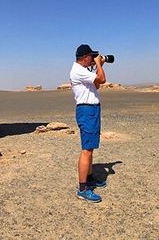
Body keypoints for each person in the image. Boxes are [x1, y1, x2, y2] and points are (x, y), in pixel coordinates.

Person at [70, 44, 107, 203]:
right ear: (85, 57)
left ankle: (90, 177)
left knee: (90, 148)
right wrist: (99, 64)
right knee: (86, 150)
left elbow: (96, 85)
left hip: (91, 110)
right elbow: (103, 80)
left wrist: (99, 65)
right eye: (91, 57)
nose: (93, 59)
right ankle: (83, 189)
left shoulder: (84, 71)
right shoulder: (78, 70)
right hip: (87, 111)